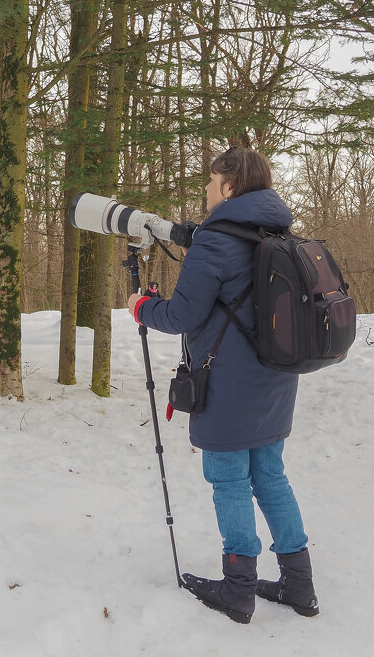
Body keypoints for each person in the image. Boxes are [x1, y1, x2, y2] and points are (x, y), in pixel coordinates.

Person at [126, 146, 319, 624]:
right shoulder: (276, 231)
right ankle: (299, 583)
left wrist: (139, 306)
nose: (207, 192)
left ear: (229, 187)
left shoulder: (217, 240)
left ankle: (238, 589)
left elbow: (181, 315)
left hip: (228, 385)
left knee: (229, 480)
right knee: (270, 476)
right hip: (276, 378)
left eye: (211, 183)